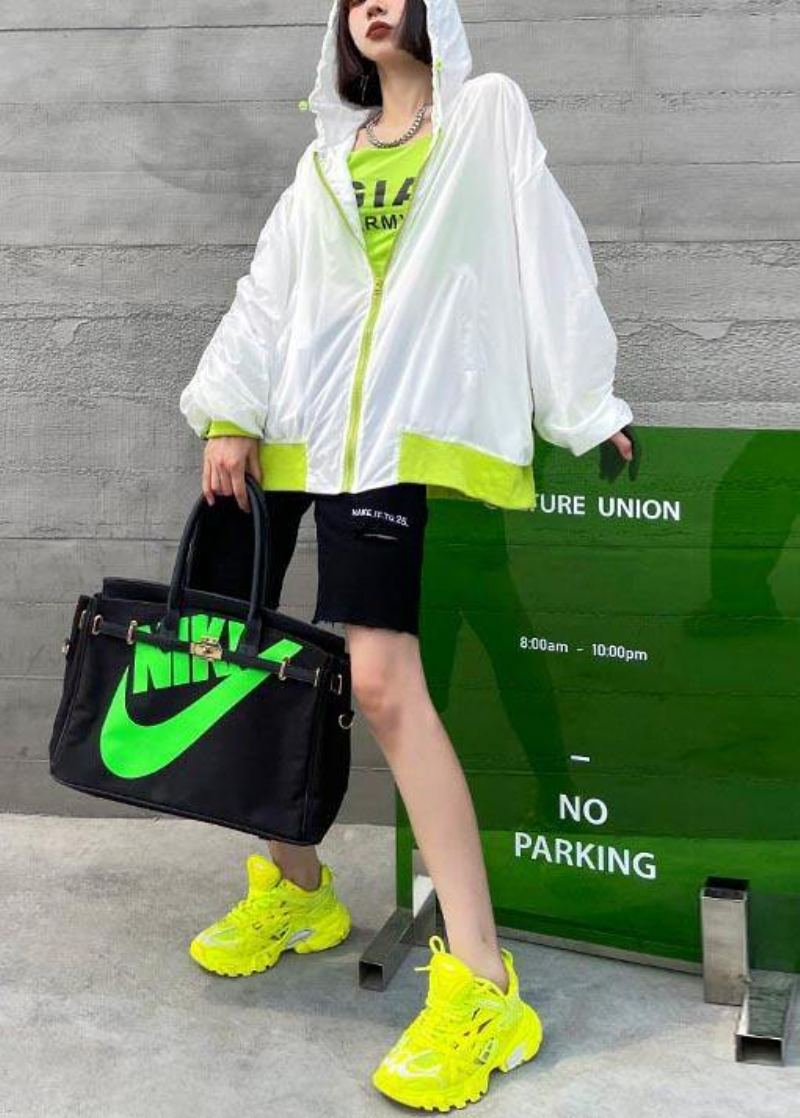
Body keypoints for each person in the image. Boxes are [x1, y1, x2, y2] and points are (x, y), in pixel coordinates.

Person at [178, 0, 635, 1110]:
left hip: (387, 438)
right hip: (285, 425)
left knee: (382, 683)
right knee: (226, 655)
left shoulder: (484, 116)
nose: (368, 2)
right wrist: (228, 406)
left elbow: (544, 245)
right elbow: (269, 286)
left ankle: (482, 985)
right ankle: (297, 890)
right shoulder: (325, 153)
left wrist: (582, 404)